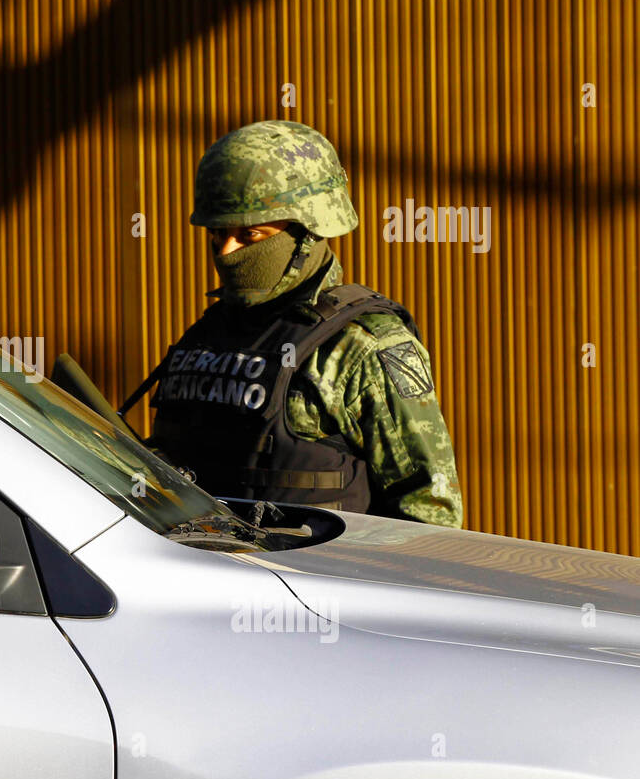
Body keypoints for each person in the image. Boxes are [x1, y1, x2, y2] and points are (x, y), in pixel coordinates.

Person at [138, 120, 462, 527]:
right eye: (217, 234)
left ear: (307, 231)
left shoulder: (365, 347)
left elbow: (429, 515)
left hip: (316, 586)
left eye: (249, 234)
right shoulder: (208, 335)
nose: (226, 251)